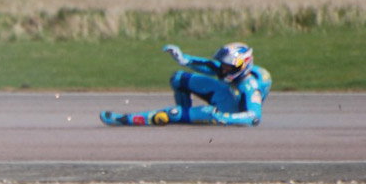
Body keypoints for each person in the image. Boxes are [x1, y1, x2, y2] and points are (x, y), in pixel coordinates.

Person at [100, 42, 272, 127]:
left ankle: (126, 119)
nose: (224, 69)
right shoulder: (230, 71)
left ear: (242, 65)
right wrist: (184, 59)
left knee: (173, 114)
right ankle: (186, 116)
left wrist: (222, 117)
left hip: (229, 111)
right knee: (179, 78)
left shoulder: (250, 86)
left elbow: (253, 117)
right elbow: (210, 66)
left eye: (228, 66)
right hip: (224, 93)